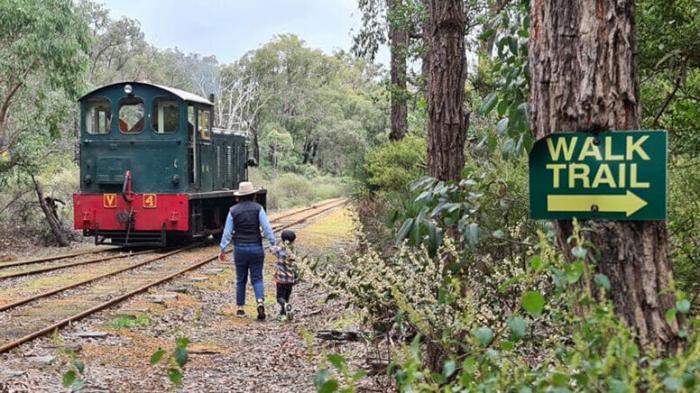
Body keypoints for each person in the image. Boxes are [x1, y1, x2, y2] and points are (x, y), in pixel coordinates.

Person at [218, 181, 276, 320]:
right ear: (253, 195)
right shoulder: (258, 208)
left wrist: (222, 249)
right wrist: (273, 243)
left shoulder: (233, 210)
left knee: (241, 279)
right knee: (257, 277)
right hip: (256, 247)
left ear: (239, 196)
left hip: (240, 249)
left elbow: (227, 232)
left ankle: (240, 309)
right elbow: (267, 229)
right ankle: (260, 302)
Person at [272, 230, 299, 321]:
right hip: (290, 280)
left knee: (280, 298)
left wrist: (277, 242)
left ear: (282, 240)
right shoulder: (294, 254)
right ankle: (283, 315)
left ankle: (285, 306)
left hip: (281, 280)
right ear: (294, 241)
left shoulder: (279, 250)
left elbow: (271, 249)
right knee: (286, 298)